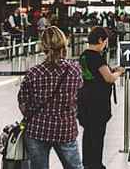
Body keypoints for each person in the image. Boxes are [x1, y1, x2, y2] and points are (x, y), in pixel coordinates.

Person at [18, 26, 83, 169]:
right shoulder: (75, 70)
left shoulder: (33, 73)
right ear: (64, 44)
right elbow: (79, 97)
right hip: (65, 129)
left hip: (37, 130)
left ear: (43, 47)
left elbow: (23, 104)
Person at [77, 27, 125, 169]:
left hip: (85, 99)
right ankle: (96, 164)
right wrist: (119, 73)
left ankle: (87, 163)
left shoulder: (84, 55)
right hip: (98, 102)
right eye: (105, 41)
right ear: (100, 40)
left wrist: (112, 69)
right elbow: (108, 78)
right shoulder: (97, 56)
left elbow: (96, 72)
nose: (105, 44)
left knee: (88, 134)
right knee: (97, 135)